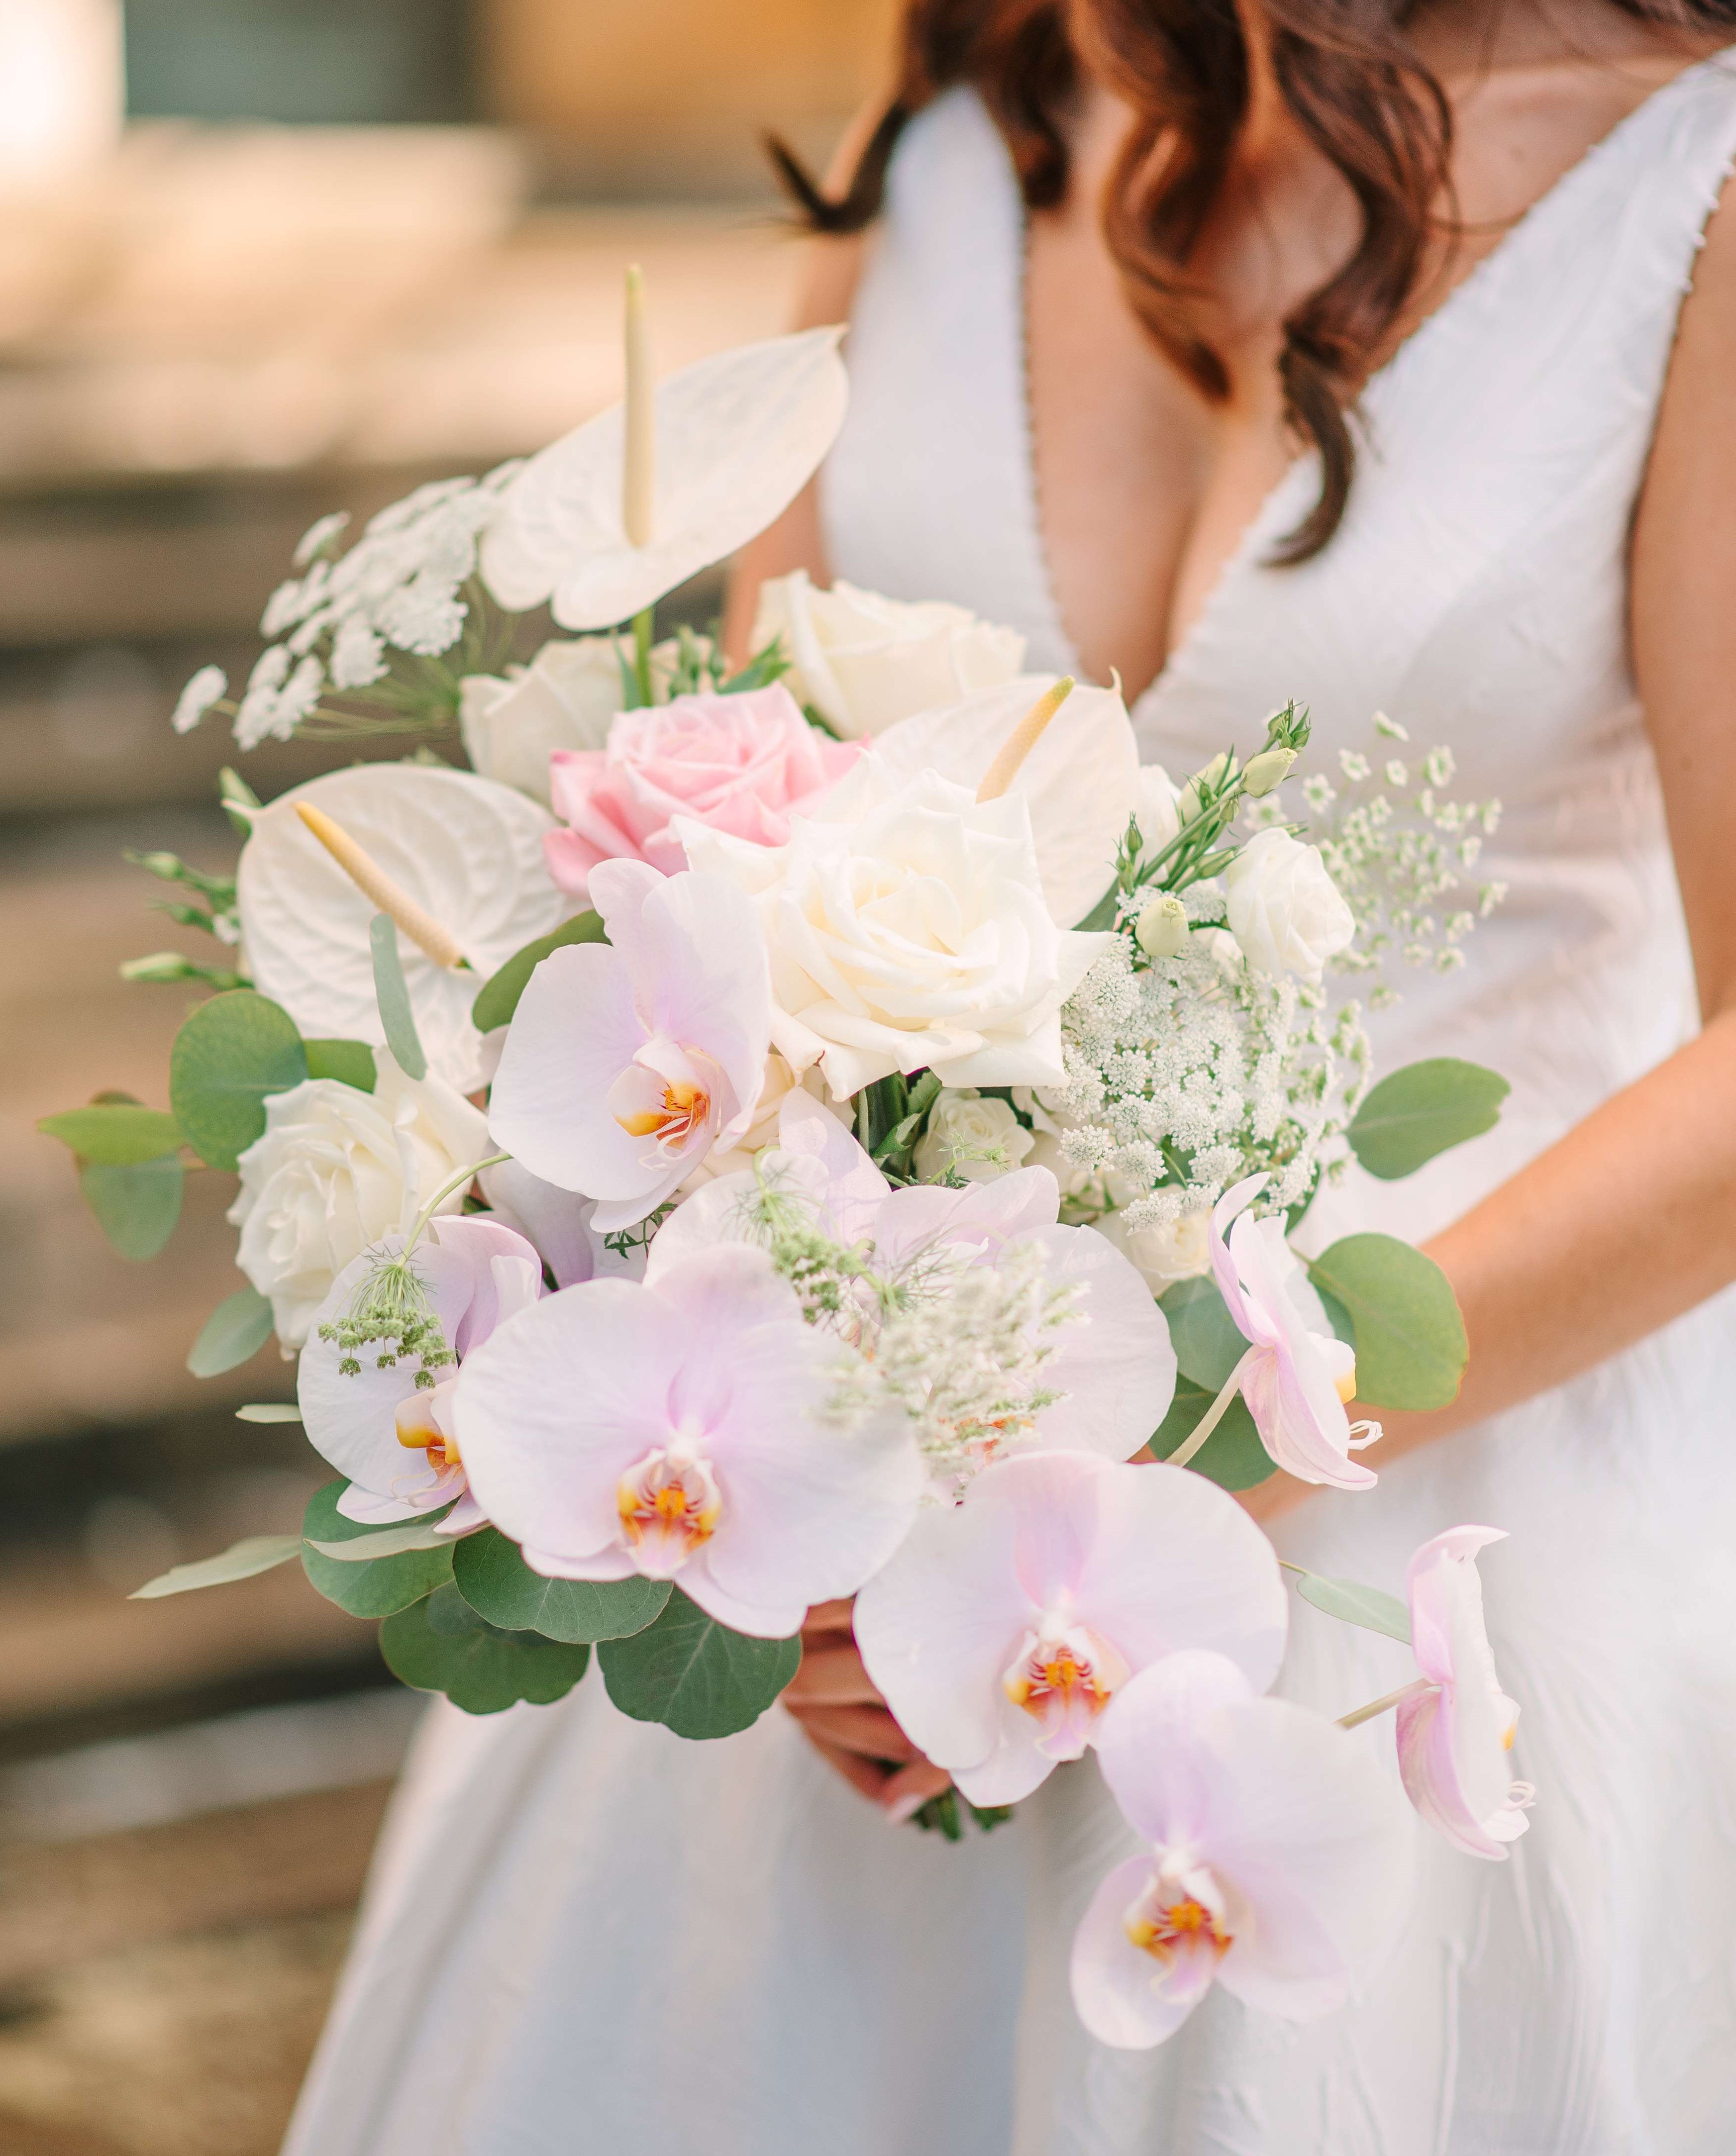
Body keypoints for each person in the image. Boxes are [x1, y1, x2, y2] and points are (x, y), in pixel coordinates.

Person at [284, 1, 1736, 2148]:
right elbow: (738, 848)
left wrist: (1213, 1439)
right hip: (878, 1473)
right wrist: (766, 1482)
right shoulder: (964, 104)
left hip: (1467, 1464)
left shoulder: (1686, 179)